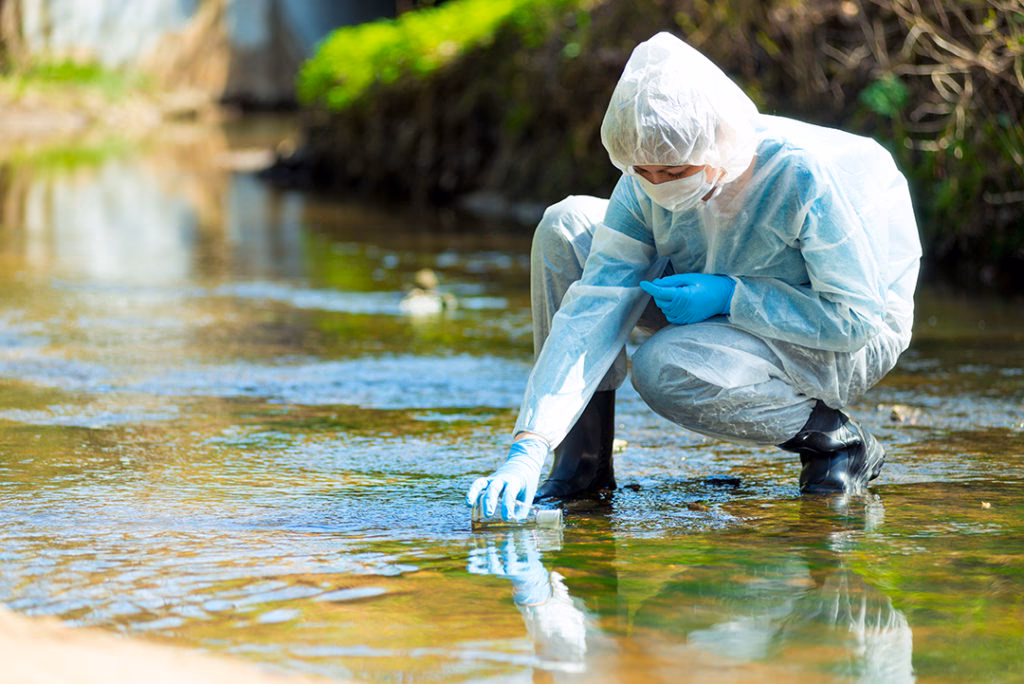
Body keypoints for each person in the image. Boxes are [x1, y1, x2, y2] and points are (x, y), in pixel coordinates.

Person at [467, 32, 921, 521]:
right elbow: (593, 305)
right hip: (707, 283)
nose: (658, 186)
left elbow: (854, 319)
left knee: (662, 368)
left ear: (717, 147)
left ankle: (834, 441)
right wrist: (529, 444)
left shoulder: (799, 178)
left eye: (674, 171)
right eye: (644, 171)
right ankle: (582, 465)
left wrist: (733, 297)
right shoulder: (644, 181)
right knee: (568, 224)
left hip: (838, 331)